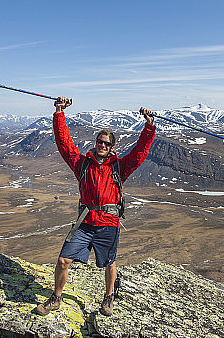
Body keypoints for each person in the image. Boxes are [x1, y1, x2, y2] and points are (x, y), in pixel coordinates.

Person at [35, 97, 156, 316]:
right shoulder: (82, 164)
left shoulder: (120, 167)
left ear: (112, 148)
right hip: (85, 223)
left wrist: (149, 127)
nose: (102, 145)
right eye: (100, 141)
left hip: (109, 223)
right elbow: (65, 145)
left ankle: (109, 297)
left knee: (109, 263)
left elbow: (140, 153)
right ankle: (56, 298)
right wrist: (59, 113)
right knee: (63, 260)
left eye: (107, 144)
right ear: (96, 143)